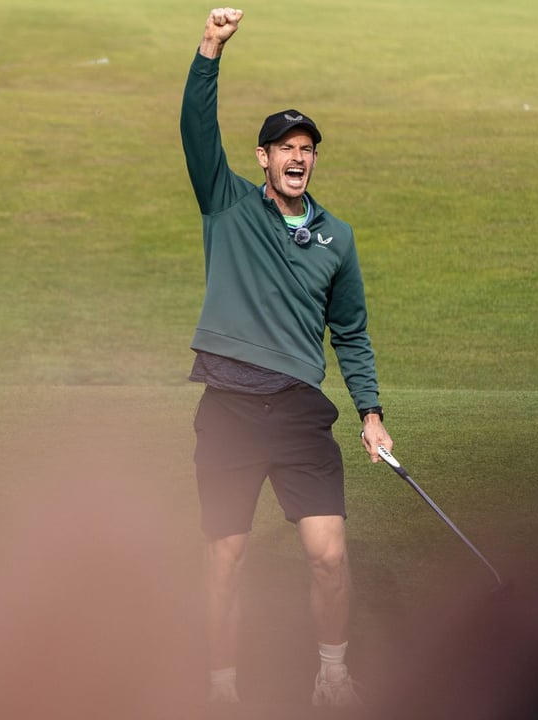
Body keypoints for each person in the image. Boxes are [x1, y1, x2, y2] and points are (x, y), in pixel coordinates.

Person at [179, 7, 394, 708]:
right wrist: (211, 48)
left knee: (330, 558)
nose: (298, 157)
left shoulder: (339, 238)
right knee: (225, 560)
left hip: (301, 415)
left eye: (308, 148)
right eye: (285, 147)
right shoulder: (226, 205)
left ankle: (332, 675)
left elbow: (352, 334)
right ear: (262, 158)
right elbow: (196, 131)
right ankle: (221, 689)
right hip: (232, 408)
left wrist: (371, 412)